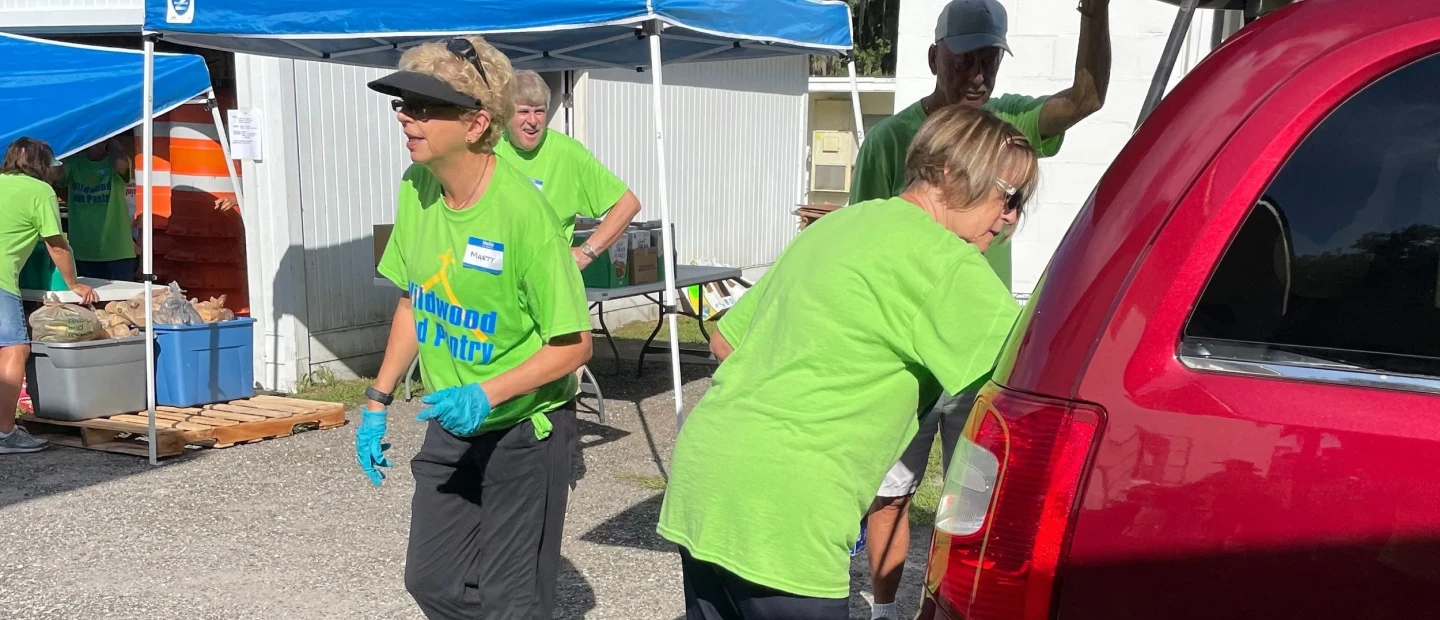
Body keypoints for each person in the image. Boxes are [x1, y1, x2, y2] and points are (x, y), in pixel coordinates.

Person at [658, 105, 1035, 620]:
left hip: (706, 479)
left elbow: (726, 340)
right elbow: (1034, 380)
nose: (1012, 215)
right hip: (786, 507)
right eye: (1008, 195)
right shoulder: (946, 262)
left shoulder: (839, 224)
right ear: (949, 172)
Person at [849, 1, 1111, 615]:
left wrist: (1093, 15)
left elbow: (1085, 98)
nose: (977, 74)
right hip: (905, 353)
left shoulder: (1007, 125)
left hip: (979, 349)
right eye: (964, 58)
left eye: (989, 58)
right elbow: (864, 239)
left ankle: (939, 608)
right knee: (890, 493)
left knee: (970, 497)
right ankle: (888, 611)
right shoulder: (892, 140)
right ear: (934, 57)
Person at [357, 35, 592, 619]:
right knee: (431, 581)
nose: (406, 118)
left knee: (510, 603)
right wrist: (376, 399)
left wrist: (486, 392)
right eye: (403, 104)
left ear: (476, 122)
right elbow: (416, 300)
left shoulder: (522, 215)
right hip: (452, 422)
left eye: (425, 107)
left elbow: (573, 344)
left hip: (523, 429)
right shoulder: (418, 188)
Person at [1, 138, 98, 454]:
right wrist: (74, 284)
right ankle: (5, 432)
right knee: (15, 349)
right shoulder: (40, 192)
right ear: (42, 165)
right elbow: (55, 244)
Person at [495, 70, 642, 268]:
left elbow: (627, 204)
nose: (532, 120)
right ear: (506, 114)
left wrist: (586, 252)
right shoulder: (489, 147)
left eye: (539, 111)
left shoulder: (567, 152)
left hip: (549, 281)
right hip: (497, 281)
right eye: (523, 111)